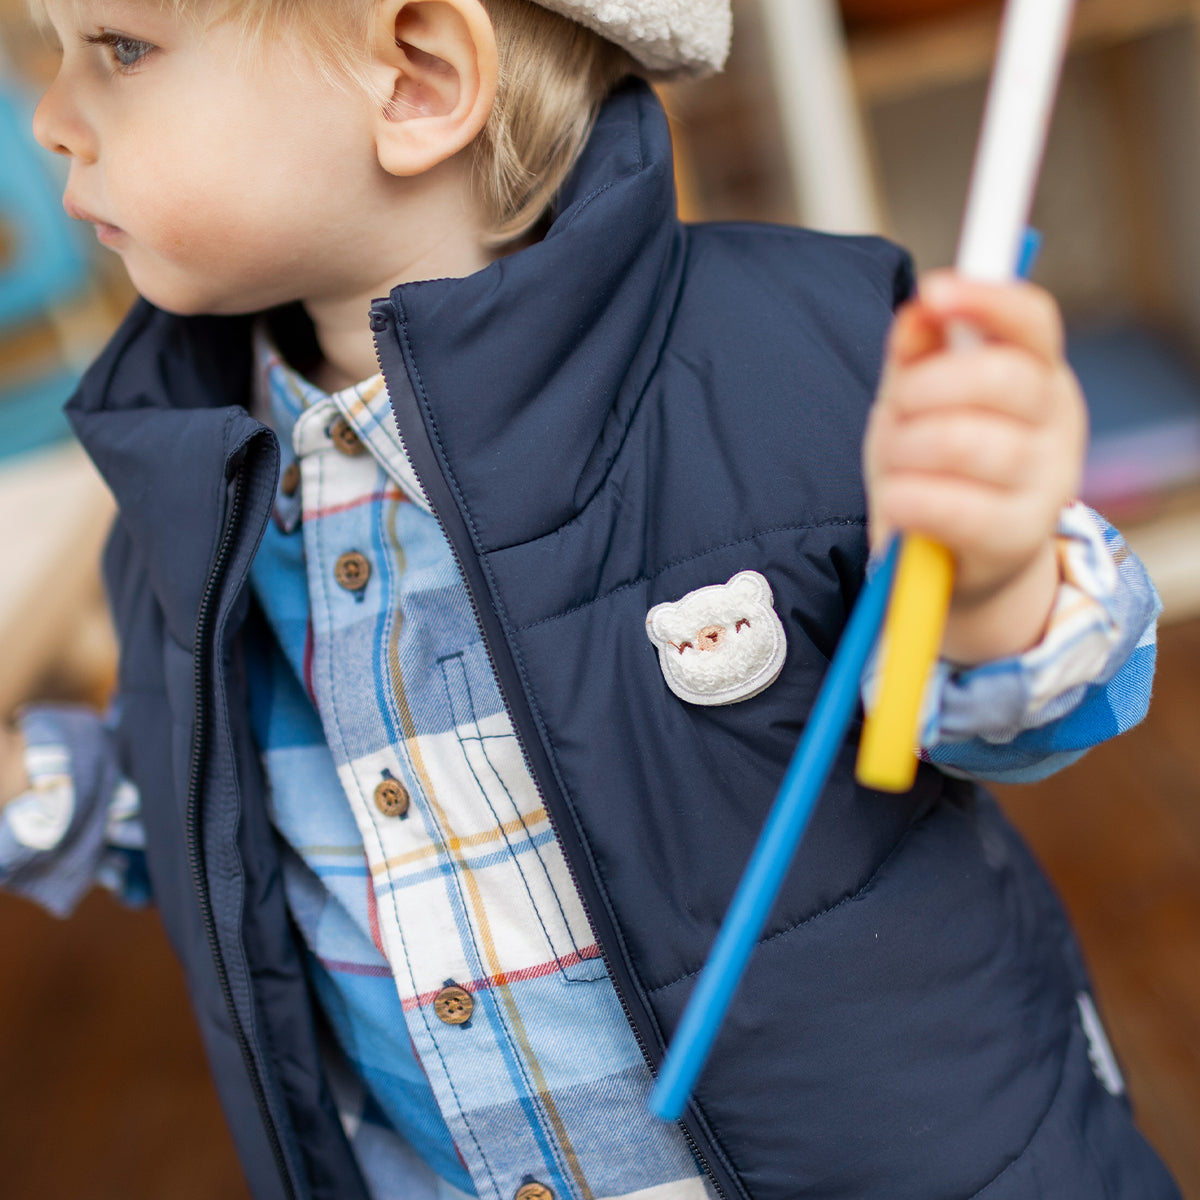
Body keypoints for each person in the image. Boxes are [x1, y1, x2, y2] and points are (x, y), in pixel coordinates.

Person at [0, 0, 1179, 1197]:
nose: (50, 118)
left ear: (413, 76)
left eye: (121, 49)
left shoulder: (805, 360)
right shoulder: (190, 490)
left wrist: (989, 582)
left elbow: (1031, 711)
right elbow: (245, 806)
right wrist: (47, 790)